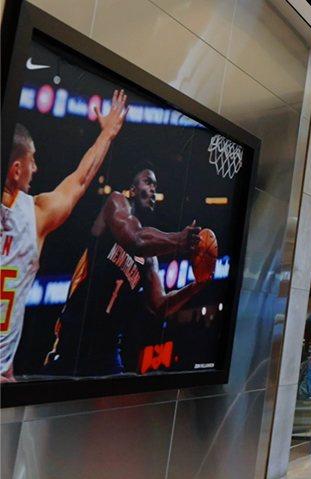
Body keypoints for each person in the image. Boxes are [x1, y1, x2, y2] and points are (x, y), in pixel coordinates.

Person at [0, 91, 126, 381]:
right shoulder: (35, 216)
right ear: (16, 170)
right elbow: (80, 180)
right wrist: (107, 134)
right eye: (31, 161)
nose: (35, 168)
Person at [46, 168, 211, 375]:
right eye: (147, 182)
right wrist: (179, 240)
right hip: (77, 333)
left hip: (108, 347)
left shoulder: (149, 257)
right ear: (132, 190)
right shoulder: (115, 202)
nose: (153, 189)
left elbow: (160, 306)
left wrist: (197, 286)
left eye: (155, 186)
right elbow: (135, 239)